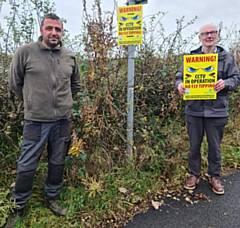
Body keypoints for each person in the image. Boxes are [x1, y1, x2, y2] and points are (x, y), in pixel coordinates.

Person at [8, 12, 80, 221]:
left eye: (57, 29)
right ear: (41, 30)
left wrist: (64, 105)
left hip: (62, 121)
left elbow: (75, 85)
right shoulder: (25, 52)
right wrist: (33, 102)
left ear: (62, 32)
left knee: (57, 162)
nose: (53, 32)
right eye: (49, 28)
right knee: (27, 164)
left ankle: (52, 197)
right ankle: (18, 205)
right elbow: (15, 83)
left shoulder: (69, 56)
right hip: (36, 121)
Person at [176, 23, 240, 195]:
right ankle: (193, 174)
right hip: (194, 110)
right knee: (194, 146)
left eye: (212, 33)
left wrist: (225, 83)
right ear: (200, 37)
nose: (209, 36)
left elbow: (236, 79)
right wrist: (180, 85)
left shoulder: (227, 58)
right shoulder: (191, 57)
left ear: (217, 35)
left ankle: (215, 176)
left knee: (215, 146)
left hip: (217, 111)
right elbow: (179, 77)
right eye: (205, 33)